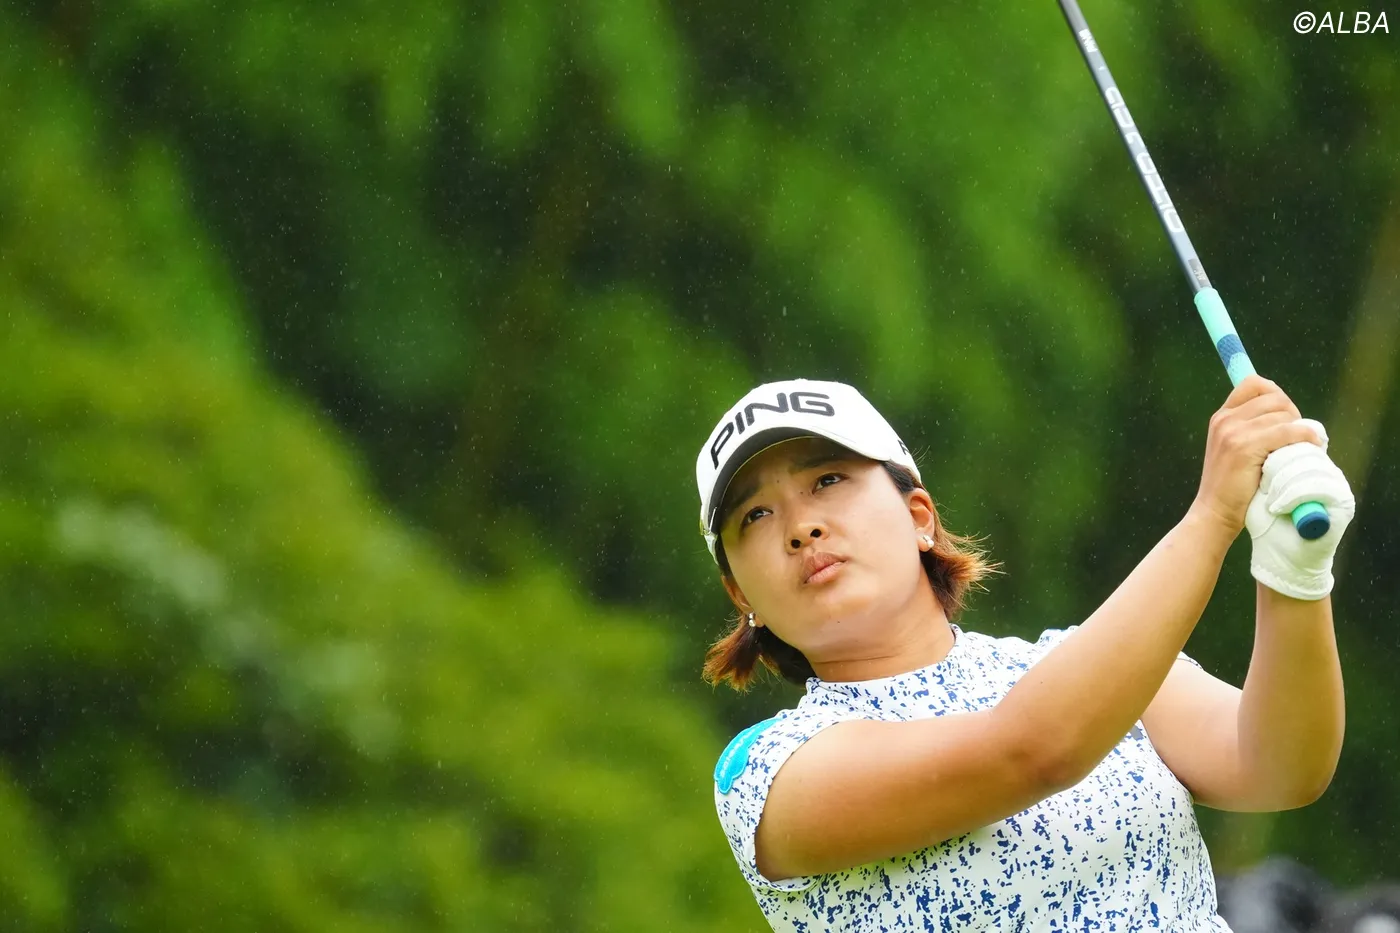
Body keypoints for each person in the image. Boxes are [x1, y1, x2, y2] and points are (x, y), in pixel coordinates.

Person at [695, 376, 1357, 931]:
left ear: (919, 516)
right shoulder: (767, 773)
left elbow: (1281, 767)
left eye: (828, 479)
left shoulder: (1078, 667)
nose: (801, 527)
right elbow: (1033, 751)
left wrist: (1295, 575)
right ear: (740, 593)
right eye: (755, 516)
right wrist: (1212, 516)